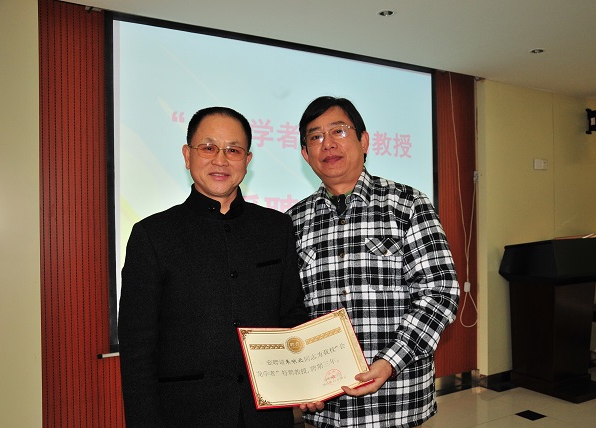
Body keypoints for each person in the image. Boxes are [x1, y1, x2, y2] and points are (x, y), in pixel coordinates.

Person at [118, 106, 309, 427]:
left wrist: (308, 380)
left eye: (233, 150)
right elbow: (137, 348)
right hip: (185, 416)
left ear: (247, 160)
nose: (221, 160)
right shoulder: (152, 235)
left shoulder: (276, 228)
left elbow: (292, 316)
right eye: (208, 148)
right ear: (187, 155)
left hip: (267, 417)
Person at [287, 96, 460, 427]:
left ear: (363, 141)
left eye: (338, 131)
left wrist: (390, 361)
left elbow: (440, 292)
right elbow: (290, 309)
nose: (328, 144)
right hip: (328, 408)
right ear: (305, 154)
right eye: (315, 136)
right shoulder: (292, 221)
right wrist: (298, 377)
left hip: (396, 402)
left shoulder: (407, 204)